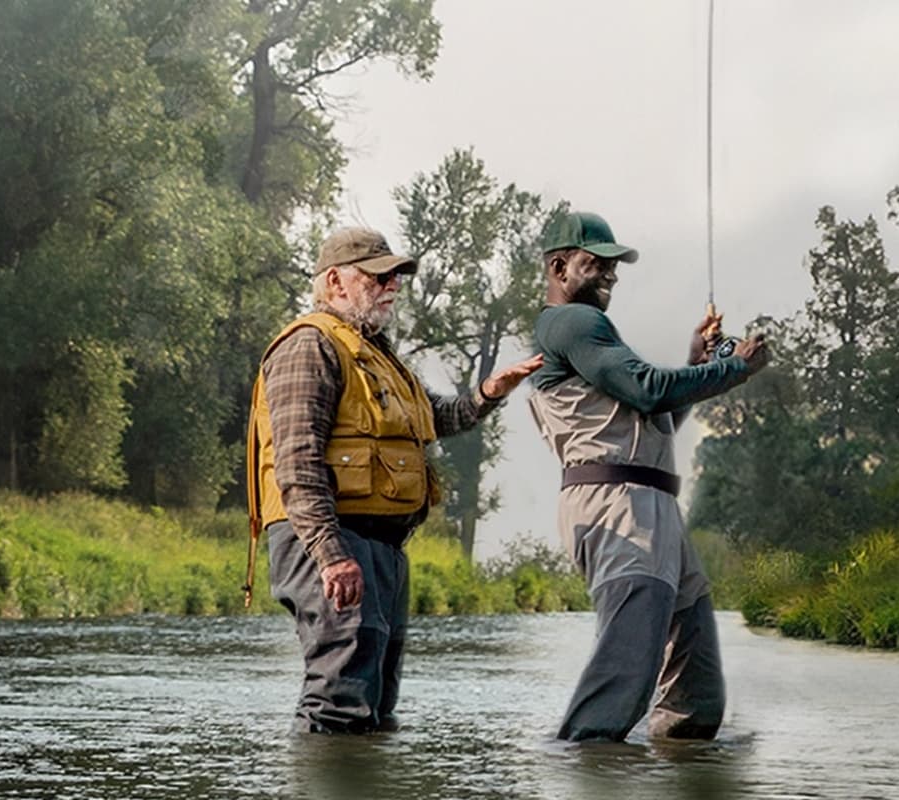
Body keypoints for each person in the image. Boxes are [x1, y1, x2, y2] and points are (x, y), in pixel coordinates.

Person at [245, 225, 543, 734]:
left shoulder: (378, 353)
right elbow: (297, 462)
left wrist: (491, 391)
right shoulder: (309, 346)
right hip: (328, 541)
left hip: (380, 545)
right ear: (336, 282)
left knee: (376, 703)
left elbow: (437, 418)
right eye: (379, 277)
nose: (393, 286)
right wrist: (332, 554)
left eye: (396, 277)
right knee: (339, 698)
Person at [526, 211, 770, 741]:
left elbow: (652, 418)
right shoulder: (572, 323)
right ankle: (581, 765)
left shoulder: (589, 333)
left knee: (696, 691)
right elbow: (650, 389)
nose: (611, 274)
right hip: (618, 506)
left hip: (649, 504)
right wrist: (734, 367)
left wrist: (693, 359)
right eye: (598, 263)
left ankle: (674, 766)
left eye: (615, 265)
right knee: (626, 671)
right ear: (559, 265)